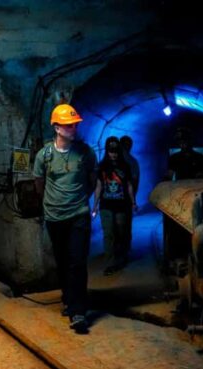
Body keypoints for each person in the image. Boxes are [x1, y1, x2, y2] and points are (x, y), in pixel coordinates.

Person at [33, 104, 98, 333]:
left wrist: (81, 201)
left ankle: (78, 310)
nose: (74, 128)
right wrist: (52, 205)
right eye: (69, 125)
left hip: (78, 214)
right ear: (57, 128)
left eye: (75, 124)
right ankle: (68, 299)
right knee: (62, 261)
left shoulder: (85, 153)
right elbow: (39, 184)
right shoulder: (44, 155)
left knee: (78, 261)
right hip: (54, 216)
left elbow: (92, 180)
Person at [93, 137, 137, 275]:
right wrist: (95, 206)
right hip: (106, 205)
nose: (114, 154)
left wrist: (133, 202)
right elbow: (99, 186)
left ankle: (121, 257)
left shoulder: (125, 166)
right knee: (108, 233)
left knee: (121, 231)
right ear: (107, 151)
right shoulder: (102, 166)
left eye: (116, 151)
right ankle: (110, 263)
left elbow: (129, 185)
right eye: (111, 151)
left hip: (122, 205)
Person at [119, 135, 140, 253]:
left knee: (122, 224)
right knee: (126, 223)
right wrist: (133, 199)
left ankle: (120, 248)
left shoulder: (131, 162)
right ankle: (124, 247)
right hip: (126, 198)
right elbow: (135, 181)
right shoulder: (133, 162)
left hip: (119, 198)